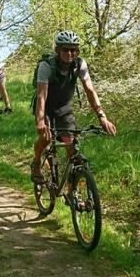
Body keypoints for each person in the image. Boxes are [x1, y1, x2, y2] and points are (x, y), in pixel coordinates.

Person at [31, 30, 117, 184]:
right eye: (65, 49)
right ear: (57, 50)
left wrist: (102, 116)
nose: (70, 53)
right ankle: (36, 162)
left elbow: (90, 90)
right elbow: (41, 96)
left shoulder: (80, 65)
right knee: (45, 137)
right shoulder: (46, 66)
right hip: (46, 108)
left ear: (77, 51)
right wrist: (40, 120)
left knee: (72, 149)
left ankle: (73, 195)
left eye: (73, 50)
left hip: (64, 108)